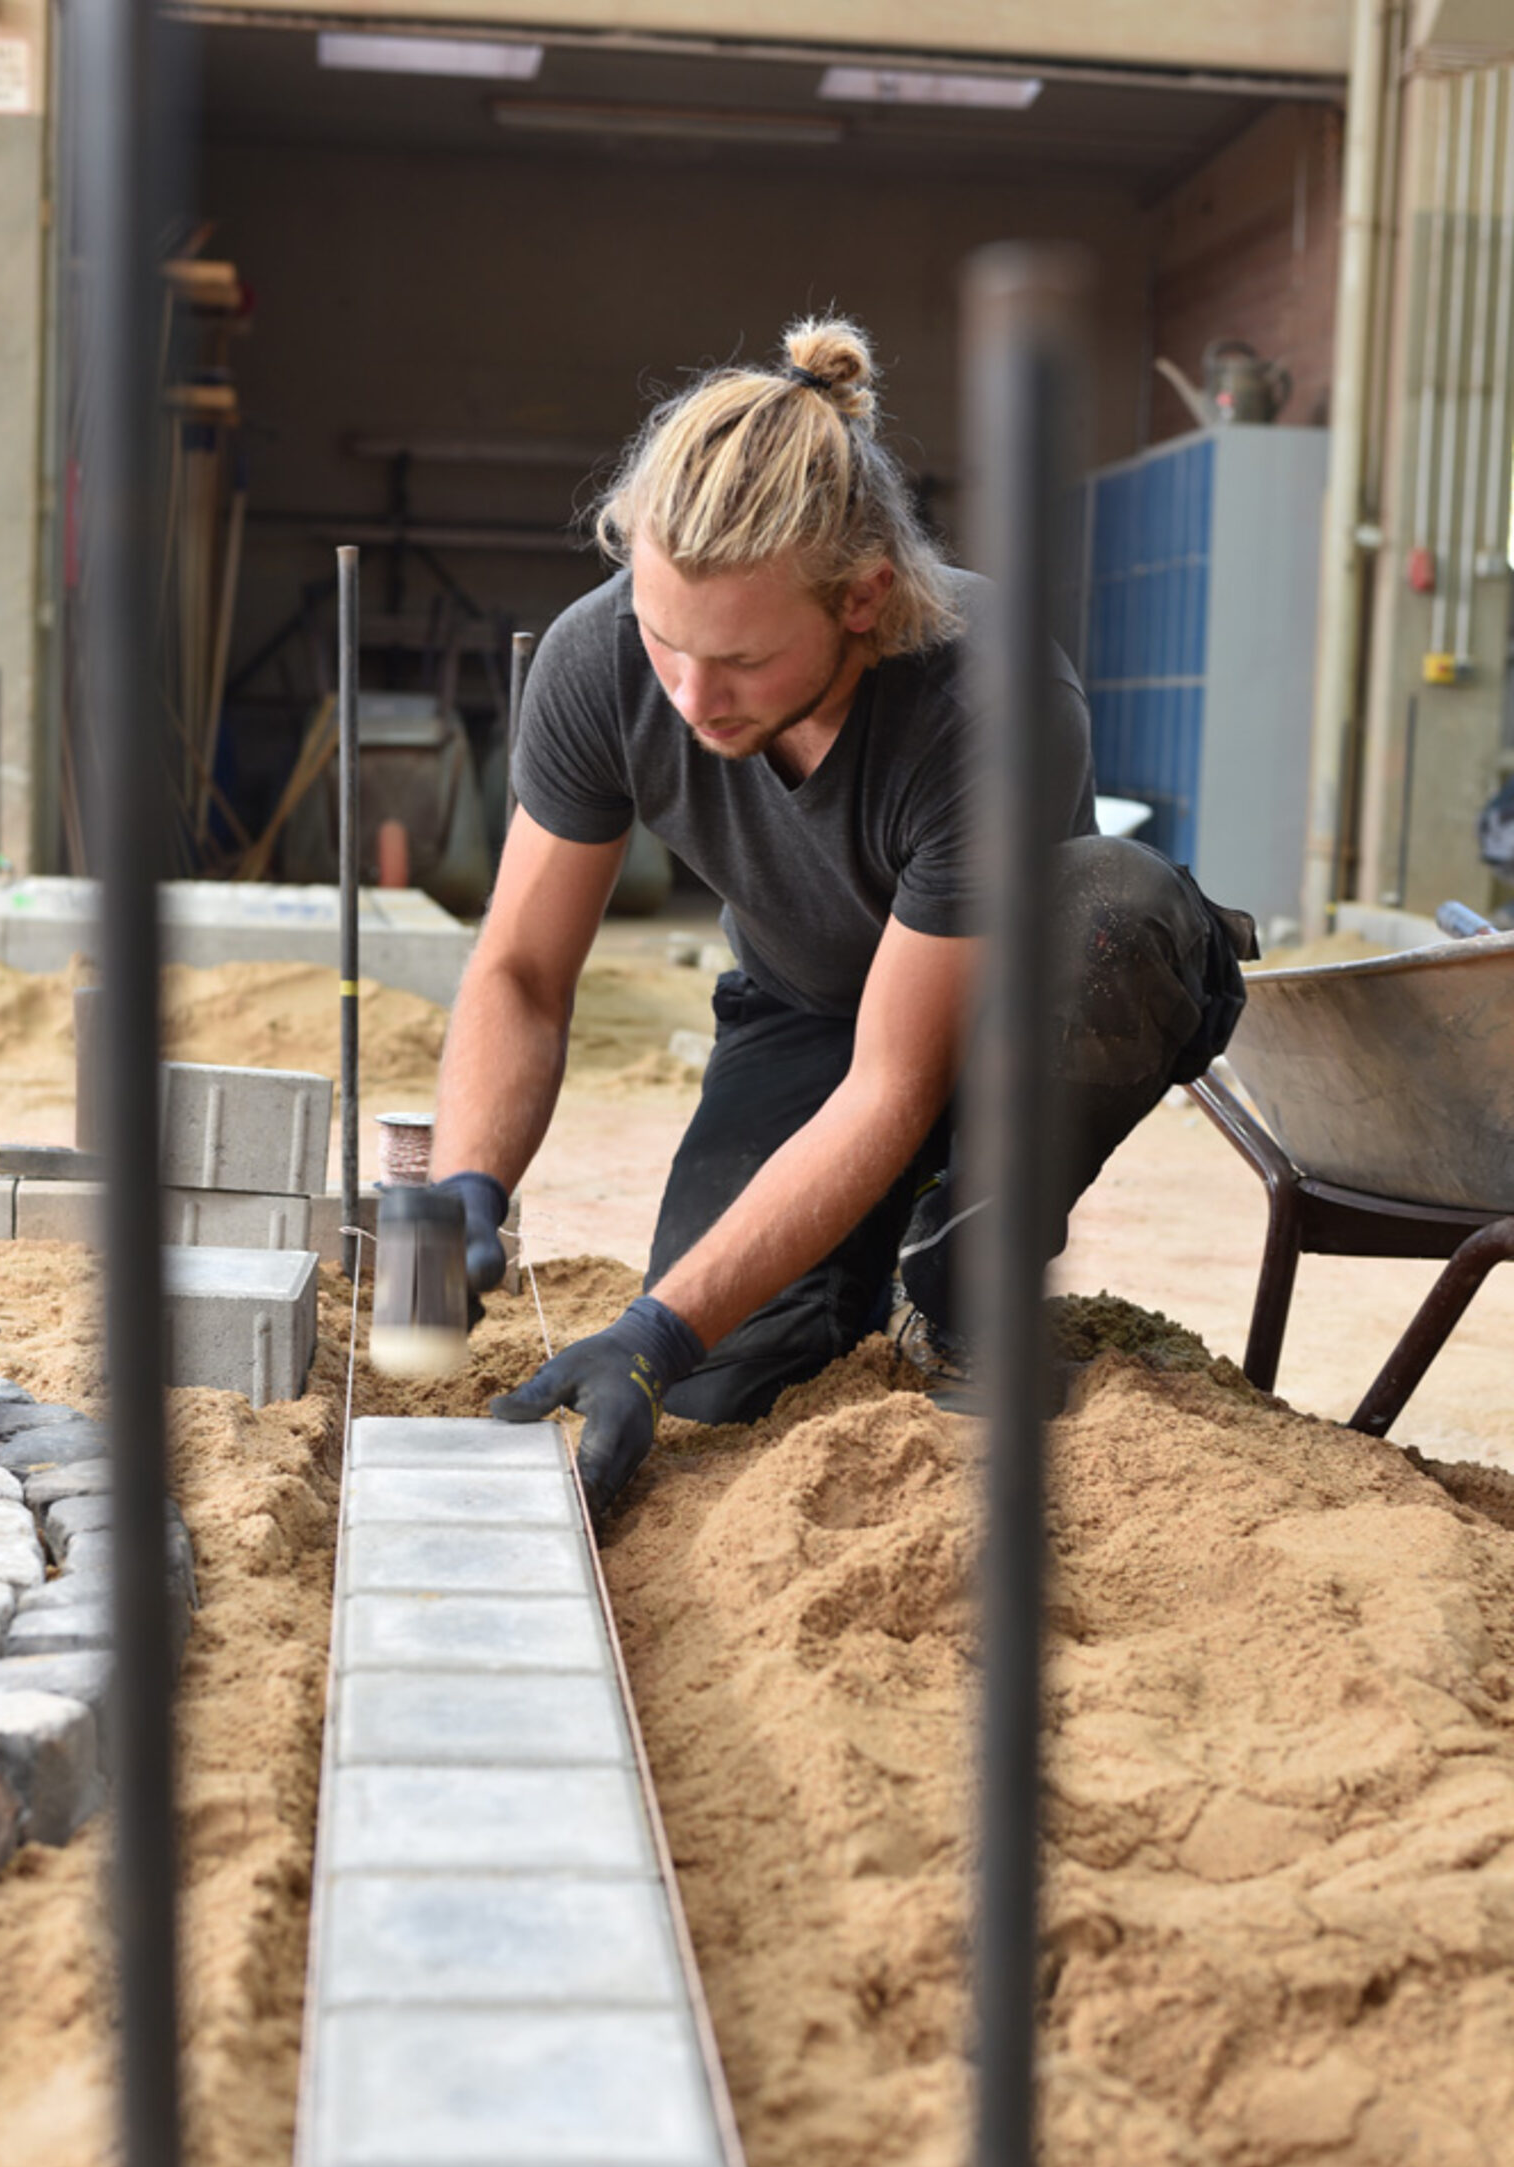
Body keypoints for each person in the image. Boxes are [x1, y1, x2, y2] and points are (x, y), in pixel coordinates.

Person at [429, 315, 1253, 1518]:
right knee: (720, 1387)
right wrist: (468, 1185)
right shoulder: (595, 659)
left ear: (864, 596)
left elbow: (893, 1086)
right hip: (803, 1008)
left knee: (1114, 913)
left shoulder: (984, 696)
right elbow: (518, 972)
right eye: (666, 642)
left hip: (1012, 1023)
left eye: (741, 661)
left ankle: (963, 1285)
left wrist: (652, 1328)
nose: (692, 697)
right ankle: (857, 1279)